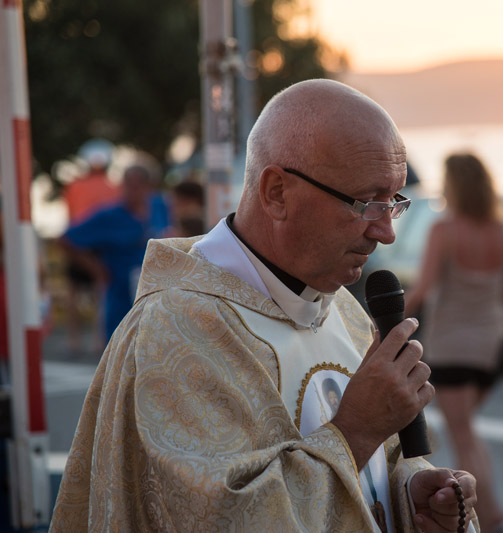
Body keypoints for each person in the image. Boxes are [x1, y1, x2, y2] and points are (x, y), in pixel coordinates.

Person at [51, 79, 478, 532]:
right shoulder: (177, 330)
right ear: (276, 192)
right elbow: (221, 520)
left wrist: (410, 499)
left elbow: (370, 481)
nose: (386, 231)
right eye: (367, 203)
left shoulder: (347, 315)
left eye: (393, 202)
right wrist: (356, 431)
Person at [405, 153, 503, 533]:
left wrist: (380, 322)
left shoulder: (445, 230)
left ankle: (491, 516)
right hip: (491, 347)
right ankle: (494, 511)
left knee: (464, 437)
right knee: (469, 430)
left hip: (452, 345)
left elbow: (422, 289)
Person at [60, 164, 170, 344]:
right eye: (127, 185)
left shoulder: (161, 207)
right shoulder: (108, 215)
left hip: (157, 301)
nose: (131, 191)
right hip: (121, 300)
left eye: (137, 186)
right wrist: (95, 268)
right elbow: (67, 239)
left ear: (148, 187)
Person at [62, 141, 120, 354]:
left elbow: (69, 214)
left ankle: (73, 340)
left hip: (77, 241)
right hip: (101, 245)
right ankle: (99, 339)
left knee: (72, 291)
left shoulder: (74, 186)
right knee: (101, 290)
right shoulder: (113, 187)